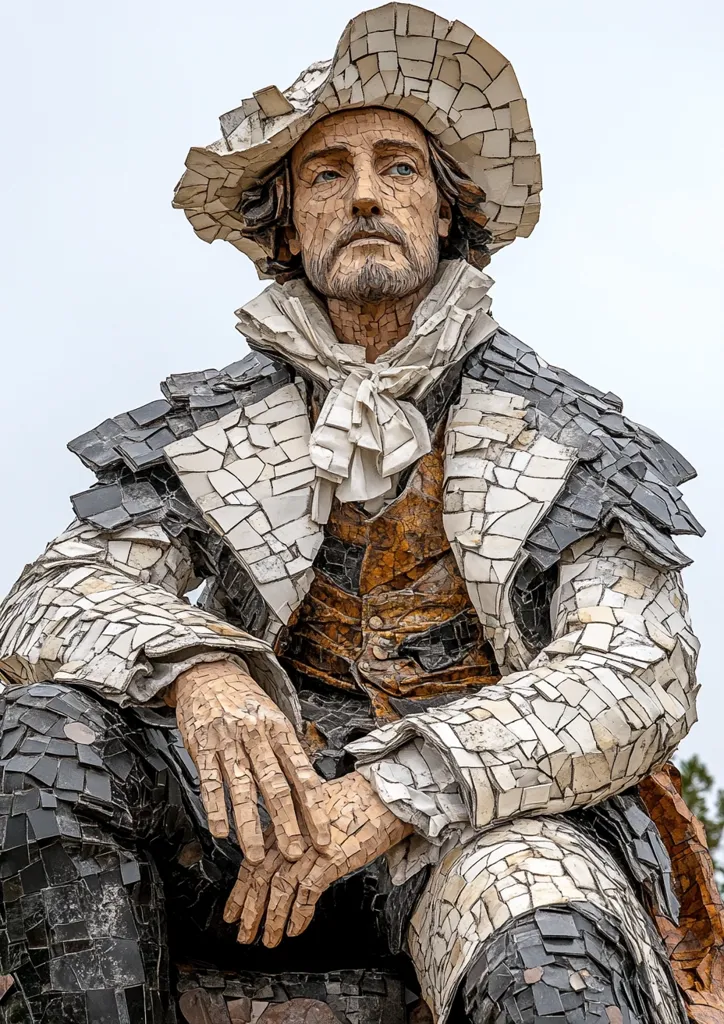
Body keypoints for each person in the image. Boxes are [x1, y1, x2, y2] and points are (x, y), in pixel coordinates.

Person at [1, 5, 722, 1023]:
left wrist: (403, 789)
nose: (367, 193)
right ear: (289, 225)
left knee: (550, 961)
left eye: (399, 167)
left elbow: (634, 670)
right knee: (45, 735)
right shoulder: (209, 425)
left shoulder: (566, 434)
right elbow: (51, 595)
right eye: (328, 173)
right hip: (259, 809)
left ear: (443, 214)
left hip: (487, 830)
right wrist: (201, 669)